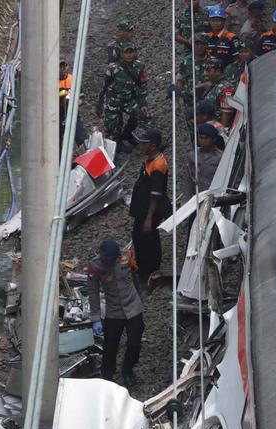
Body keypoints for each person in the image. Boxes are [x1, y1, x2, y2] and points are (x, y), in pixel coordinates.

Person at [88, 239, 144, 388]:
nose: (109, 263)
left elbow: (135, 276)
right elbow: (93, 292)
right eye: (106, 260)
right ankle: (107, 376)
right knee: (110, 347)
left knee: (134, 344)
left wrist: (140, 298)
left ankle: (127, 371)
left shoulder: (126, 257)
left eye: (112, 260)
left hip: (133, 307)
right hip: (114, 311)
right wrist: (95, 318)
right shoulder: (95, 266)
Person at [128, 126, 171, 286]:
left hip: (149, 212)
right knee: (139, 238)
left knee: (149, 241)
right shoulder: (150, 160)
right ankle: (143, 269)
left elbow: (156, 194)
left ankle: (150, 272)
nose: (142, 146)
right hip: (142, 210)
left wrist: (149, 218)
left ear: (153, 145)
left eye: (145, 143)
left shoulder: (158, 166)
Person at [98, 44, 148, 151]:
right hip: (113, 101)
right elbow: (104, 87)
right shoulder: (113, 69)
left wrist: (143, 103)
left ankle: (127, 133)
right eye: (126, 52)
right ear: (121, 54)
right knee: (112, 128)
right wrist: (100, 104)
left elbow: (143, 86)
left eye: (131, 52)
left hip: (129, 99)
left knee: (143, 116)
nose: (129, 55)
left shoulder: (140, 67)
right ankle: (115, 146)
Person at [58, 61, 88, 150]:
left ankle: (82, 158)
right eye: (60, 67)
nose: (63, 69)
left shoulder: (73, 80)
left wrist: (75, 102)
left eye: (65, 67)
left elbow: (81, 98)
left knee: (82, 139)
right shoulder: (50, 81)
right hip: (58, 115)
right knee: (57, 140)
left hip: (72, 113)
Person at [189, 122, 224, 192]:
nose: (203, 141)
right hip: (197, 196)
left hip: (214, 194)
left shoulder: (221, 157)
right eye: (201, 138)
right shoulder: (193, 155)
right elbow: (188, 179)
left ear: (213, 139)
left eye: (206, 138)